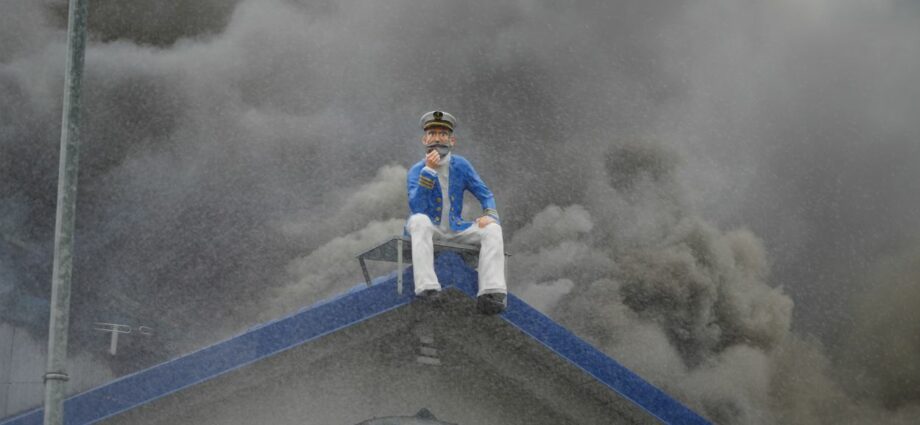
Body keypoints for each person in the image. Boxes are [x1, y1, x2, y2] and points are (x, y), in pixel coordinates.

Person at [406, 110, 507, 315]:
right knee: (418, 220)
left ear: (452, 141)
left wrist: (489, 215)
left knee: (493, 229)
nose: (437, 139)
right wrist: (429, 171)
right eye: (432, 134)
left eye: (443, 134)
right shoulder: (417, 170)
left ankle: (490, 294)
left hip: (456, 228)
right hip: (431, 228)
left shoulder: (461, 165)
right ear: (425, 140)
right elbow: (417, 207)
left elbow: (485, 193)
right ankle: (427, 288)